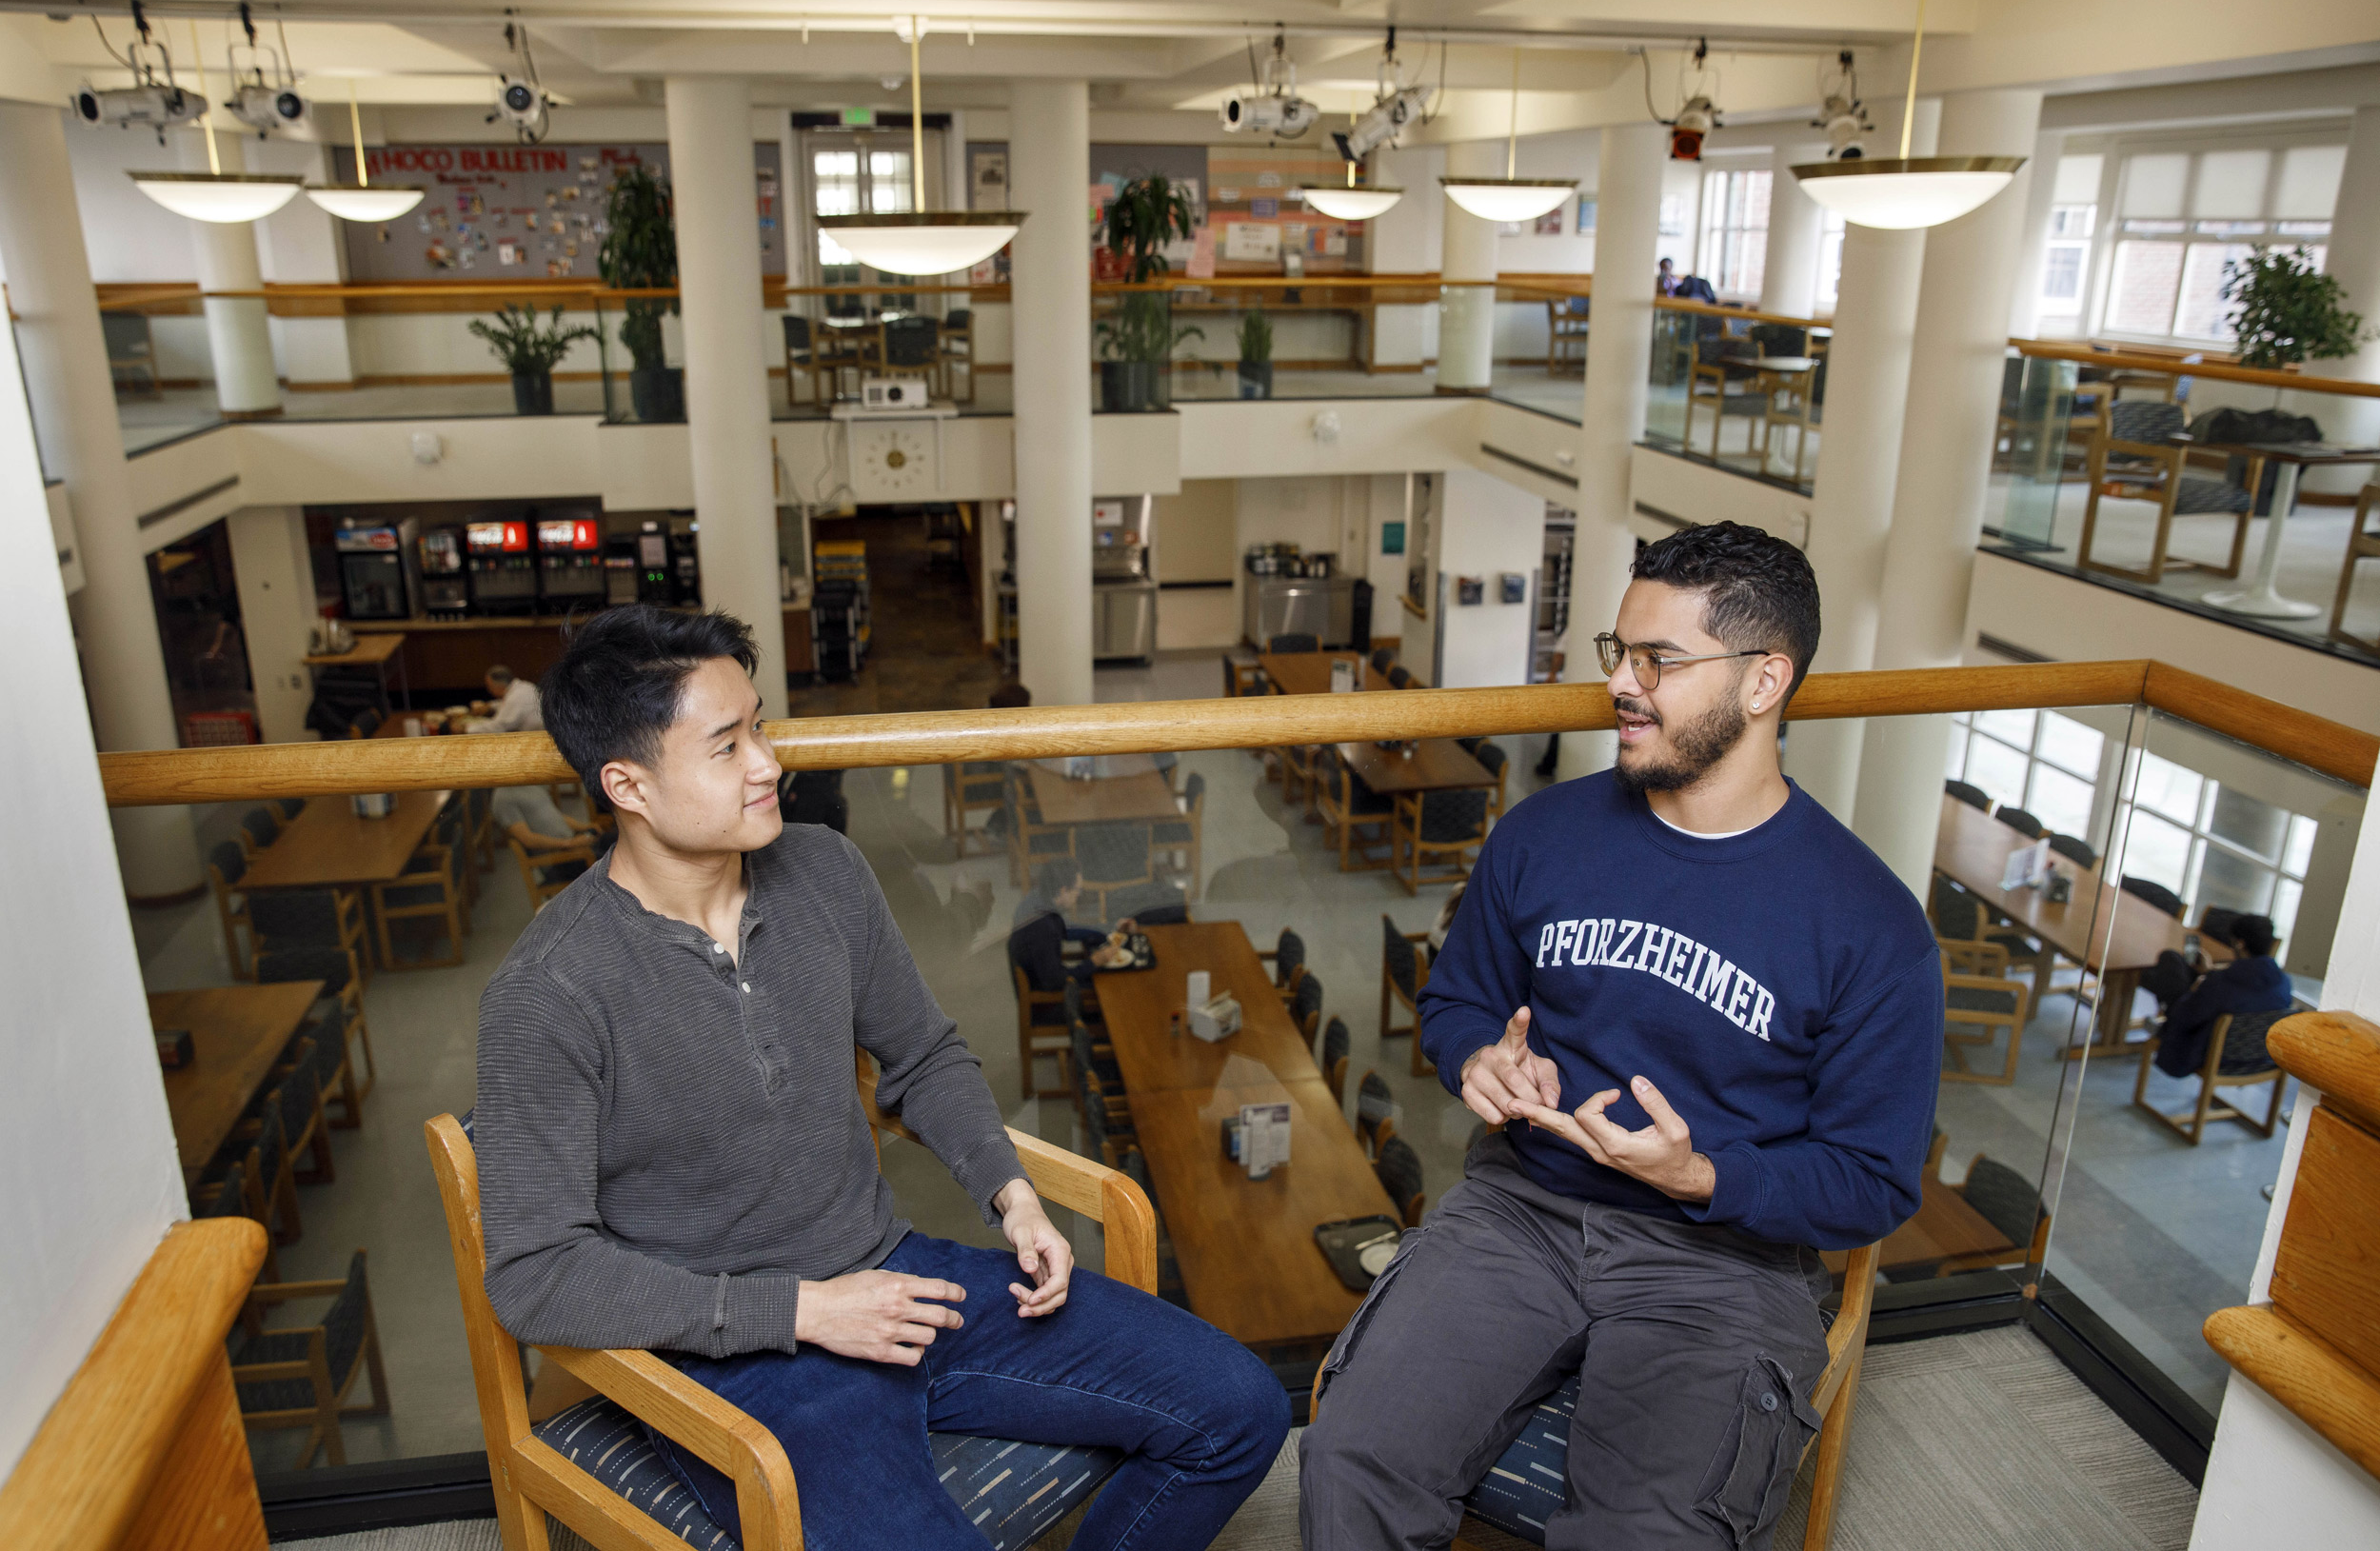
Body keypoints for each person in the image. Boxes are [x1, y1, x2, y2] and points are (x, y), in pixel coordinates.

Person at [475, 605, 1286, 1550]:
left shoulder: (824, 872)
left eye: (762, 727)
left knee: (1241, 1407)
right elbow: (535, 1274)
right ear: (629, 784)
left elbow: (924, 1054)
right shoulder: (549, 989)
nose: (769, 762)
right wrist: (805, 1311)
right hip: (738, 1355)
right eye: (727, 745)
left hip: (899, 1275)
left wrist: (1012, 1195)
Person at [1300, 522, 1943, 1551]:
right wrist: (1478, 1055)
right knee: (1350, 1459)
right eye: (1619, 650)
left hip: (1724, 1262)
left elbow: (1871, 1181)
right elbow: (1457, 999)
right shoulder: (1542, 833)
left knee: (1643, 1534)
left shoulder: (1870, 925)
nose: (1622, 684)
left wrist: (1704, 1177)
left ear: (1765, 678)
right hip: (1520, 1209)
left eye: (1661, 660)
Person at [2152, 914, 2294, 1079]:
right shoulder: (2284, 983)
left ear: (2240, 944)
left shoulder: (2220, 982)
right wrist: (2210, 973)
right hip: (2261, 1057)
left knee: (2170, 959)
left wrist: (2196, 989)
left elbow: (2184, 1017)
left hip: (2210, 1053)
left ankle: (2155, 1027)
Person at [1009, 857, 1138, 1001]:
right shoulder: (1043, 927)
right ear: (1063, 890)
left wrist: (1114, 926)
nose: (1078, 895)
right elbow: (1055, 981)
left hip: (1045, 980)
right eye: (1078, 890)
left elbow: (1069, 929)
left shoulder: (1037, 900)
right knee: (1116, 987)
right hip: (1049, 1000)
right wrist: (1094, 962)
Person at [491, 784, 602, 886]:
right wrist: (570, 844)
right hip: (559, 861)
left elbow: (556, 816)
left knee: (614, 841)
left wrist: (584, 827)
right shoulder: (503, 798)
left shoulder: (529, 783)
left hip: (574, 847)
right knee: (612, 857)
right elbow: (527, 839)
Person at [466, 665, 543, 732]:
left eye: (489, 686)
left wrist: (467, 728)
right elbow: (508, 705)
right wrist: (490, 706)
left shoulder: (515, 697)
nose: (489, 690)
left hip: (537, 736)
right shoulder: (524, 686)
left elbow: (499, 727)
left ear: (497, 685)